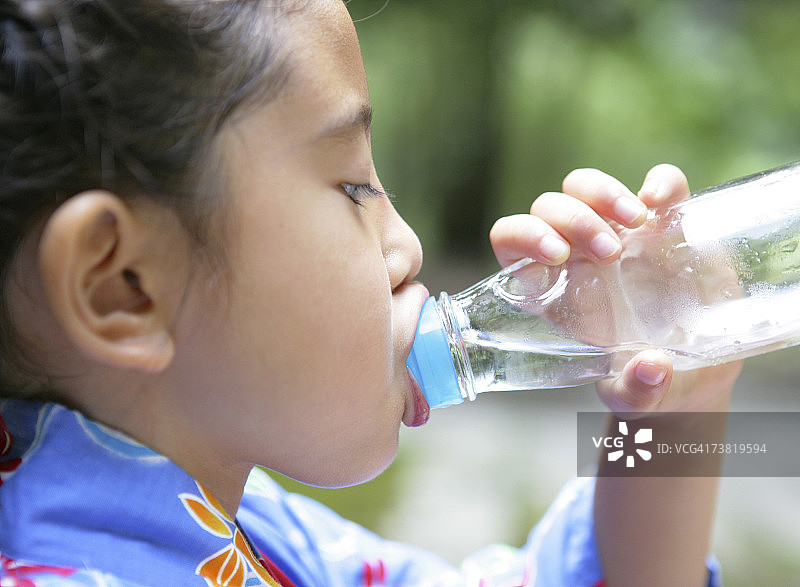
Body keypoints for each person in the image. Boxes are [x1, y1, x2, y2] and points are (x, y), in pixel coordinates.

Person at [0, 1, 741, 585]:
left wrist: (674, 416)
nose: (409, 247)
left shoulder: (261, 533)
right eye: (355, 187)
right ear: (123, 286)